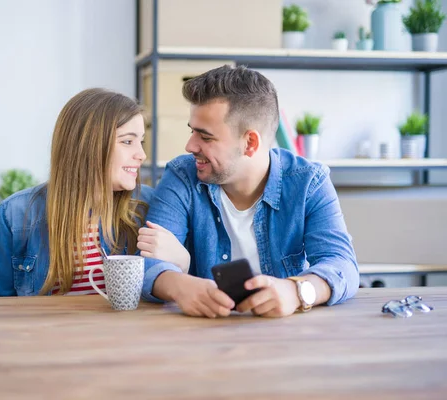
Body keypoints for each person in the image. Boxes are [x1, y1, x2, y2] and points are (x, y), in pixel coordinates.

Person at [138, 65, 359, 318]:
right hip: (201, 336)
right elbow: (146, 261)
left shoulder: (309, 182)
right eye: (192, 131)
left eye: (206, 137)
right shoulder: (182, 176)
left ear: (250, 143)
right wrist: (180, 287)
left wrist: (296, 292)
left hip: (286, 338)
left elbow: (342, 265)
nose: (190, 146)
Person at [0, 88, 189, 297]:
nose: (141, 155)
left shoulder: (151, 207)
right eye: (127, 141)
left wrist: (182, 262)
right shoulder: (15, 214)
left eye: (140, 141)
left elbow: (170, 298)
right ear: (88, 146)